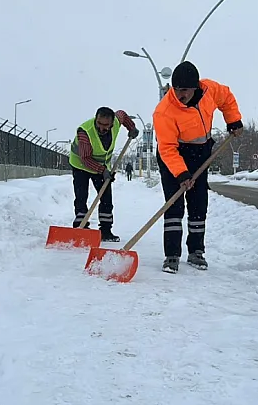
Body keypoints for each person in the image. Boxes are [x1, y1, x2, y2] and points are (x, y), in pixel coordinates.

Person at [152, 61, 243, 273]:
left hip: (200, 153)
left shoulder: (210, 90)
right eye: (176, 90)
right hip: (173, 156)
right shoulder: (164, 111)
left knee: (198, 204)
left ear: (195, 87)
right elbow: (167, 149)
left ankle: (196, 252)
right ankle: (172, 255)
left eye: (184, 90)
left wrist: (234, 120)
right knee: (174, 206)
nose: (180, 95)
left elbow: (227, 98)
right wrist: (182, 174)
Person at [68, 107, 139, 242]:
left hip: (101, 166)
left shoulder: (116, 122)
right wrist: (103, 171)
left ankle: (105, 231)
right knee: (81, 195)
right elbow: (85, 158)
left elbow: (122, 114)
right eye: (99, 124)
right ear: (96, 119)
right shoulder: (85, 132)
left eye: (106, 126)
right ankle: (81, 227)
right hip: (80, 164)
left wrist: (131, 127)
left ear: (112, 123)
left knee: (106, 198)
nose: (101, 128)